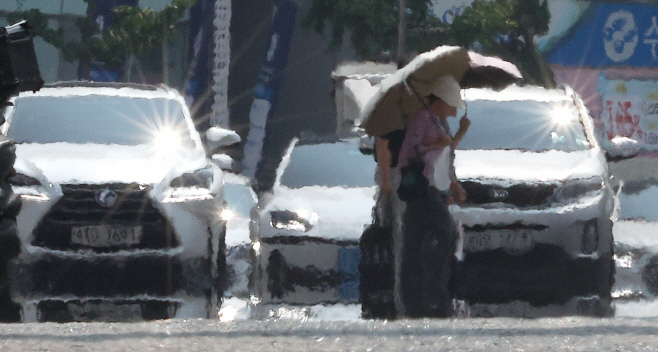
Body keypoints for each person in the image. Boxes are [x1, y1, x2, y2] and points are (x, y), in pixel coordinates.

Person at [394, 74, 470, 318]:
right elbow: (411, 153)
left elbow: (444, 159)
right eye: (451, 105)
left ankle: (420, 302)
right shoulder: (422, 120)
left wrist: (453, 185)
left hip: (435, 189)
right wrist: (435, 146)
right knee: (444, 234)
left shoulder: (438, 123)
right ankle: (432, 296)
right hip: (422, 189)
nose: (453, 111)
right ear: (443, 101)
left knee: (416, 243)